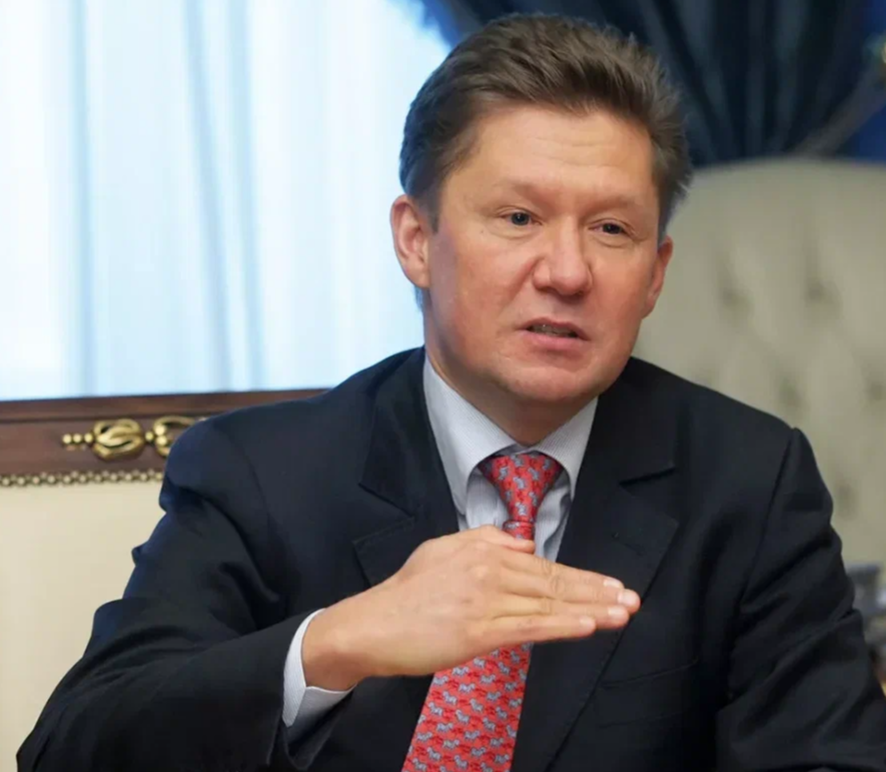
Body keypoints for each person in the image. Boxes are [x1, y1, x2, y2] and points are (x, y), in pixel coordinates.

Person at [19, 13, 886, 772]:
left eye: (611, 229)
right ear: (416, 240)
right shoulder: (264, 473)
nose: (568, 271)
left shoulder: (747, 479)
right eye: (518, 218)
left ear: (655, 273)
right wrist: (337, 642)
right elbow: (76, 745)